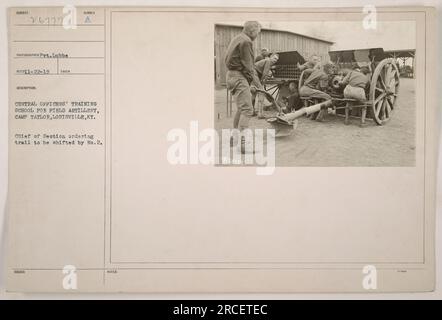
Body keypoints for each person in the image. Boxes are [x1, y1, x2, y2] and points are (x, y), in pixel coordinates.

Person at [225, 21, 262, 153]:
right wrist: (259, 86)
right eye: (257, 32)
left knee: (241, 109)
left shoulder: (237, 38)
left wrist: (250, 82)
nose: (257, 35)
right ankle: (243, 146)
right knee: (248, 110)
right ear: (252, 31)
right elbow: (250, 67)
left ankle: (234, 138)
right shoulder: (246, 41)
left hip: (231, 76)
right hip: (238, 77)